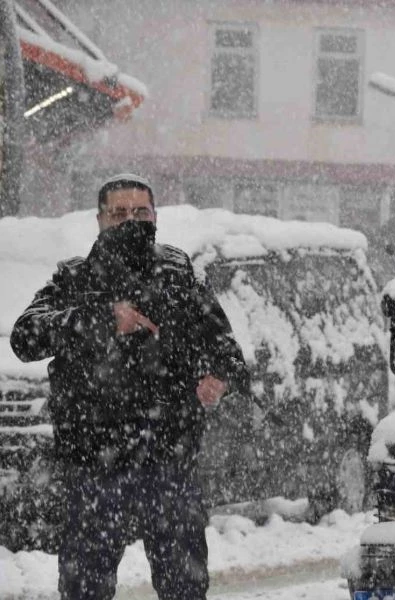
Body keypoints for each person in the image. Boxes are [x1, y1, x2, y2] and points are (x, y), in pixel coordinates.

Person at [11, 173, 249, 600]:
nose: (130, 221)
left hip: (169, 462)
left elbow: (226, 349)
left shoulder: (178, 275)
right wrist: (102, 318)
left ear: (155, 215)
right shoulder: (75, 280)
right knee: (86, 588)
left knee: (184, 587)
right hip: (96, 463)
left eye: (140, 212)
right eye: (119, 213)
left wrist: (218, 379)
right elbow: (25, 338)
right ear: (100, 219)